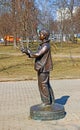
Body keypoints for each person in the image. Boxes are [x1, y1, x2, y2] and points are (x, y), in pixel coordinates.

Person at [21, 29, 55, 107]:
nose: (39, 35)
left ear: (45, 36)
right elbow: (36, 54)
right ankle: (51, 100)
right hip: (42, 67)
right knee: (45, 84)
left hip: (44, 68)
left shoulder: (45, 46)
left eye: (41, 34)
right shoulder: (43, 45)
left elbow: (38, 54)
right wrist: (28, 52)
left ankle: (46, 102)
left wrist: (29, 51)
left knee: (43, 85)